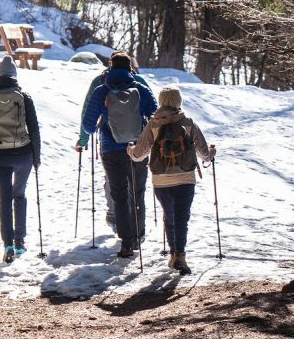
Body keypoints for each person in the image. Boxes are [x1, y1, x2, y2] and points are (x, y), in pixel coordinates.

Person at [127, 86, 214, 275]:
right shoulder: (188, 122)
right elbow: (204, 153)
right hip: (185, 178)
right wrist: (211, 155)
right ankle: (180, 256)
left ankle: (174, 255)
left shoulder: (153, 124)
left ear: (161, 101)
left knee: (169, 215)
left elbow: (139, 155)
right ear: (178, 102)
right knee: (182, 217)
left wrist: (131, 151)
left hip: (161, 181)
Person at [81, 53, 156, 258]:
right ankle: (139, 234)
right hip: (138, 148)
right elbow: (155, 116)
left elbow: (88, 126)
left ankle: (126, 242)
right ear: (131, 68)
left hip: (111, 150)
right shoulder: (141, 89)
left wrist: (100, 124)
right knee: (138, 191)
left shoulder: (101, 91)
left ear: (110, 66)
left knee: (120, 195)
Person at [0, 56, 41, 263]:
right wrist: (37, 156)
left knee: (4, 198)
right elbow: (33, 128)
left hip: (0, 155)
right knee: (20, 195)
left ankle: (7, 243)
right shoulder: (24, 97)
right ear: (14, 76)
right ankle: (20, 242)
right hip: (23, 154)